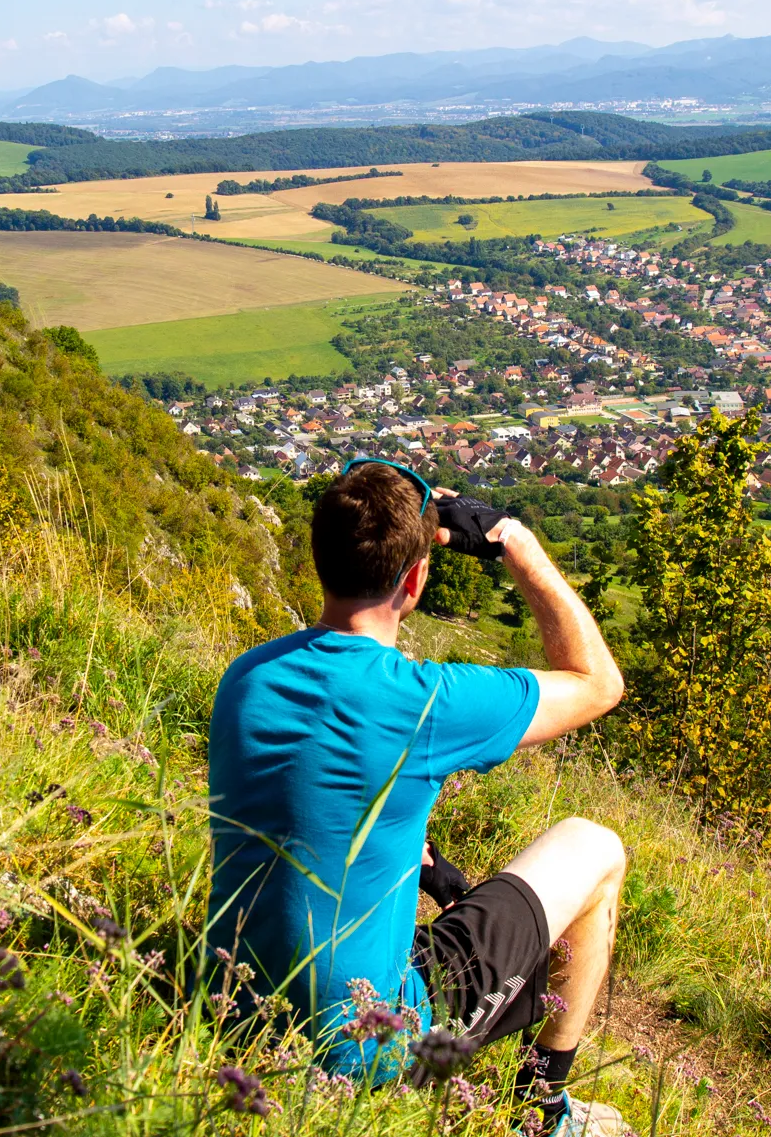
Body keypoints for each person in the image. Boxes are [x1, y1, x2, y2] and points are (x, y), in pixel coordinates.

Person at [208, 458, 631, 1136]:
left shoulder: (247, 678)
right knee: (595, 848)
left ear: (322, 561)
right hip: (367, 1042)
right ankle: (542, 1113)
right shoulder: (423, 701)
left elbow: (310, 800)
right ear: (415, 580)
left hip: (233, 1012)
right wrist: (516, 542)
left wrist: (424, 866)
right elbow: (598, 682)